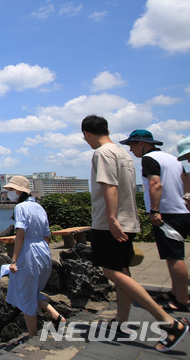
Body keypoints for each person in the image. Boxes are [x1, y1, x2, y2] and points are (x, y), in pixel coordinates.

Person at [81, 115, 187, 352]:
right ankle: (121, 322)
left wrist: (111, 219)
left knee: (111, 271)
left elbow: (110, 186)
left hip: (110, 223)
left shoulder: (103, 153)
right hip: (128, 220)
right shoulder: (123, 154)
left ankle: (168, 323)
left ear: (86, 133)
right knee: (122, 270)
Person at [121, 129, 190, 311]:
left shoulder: (149, 159)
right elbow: (186, 181)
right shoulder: (173, 159)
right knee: (172, 255)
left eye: (132, 145)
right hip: (182, 211)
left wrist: (155, 211)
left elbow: (155, 183)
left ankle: (182, 298)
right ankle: (175, 292)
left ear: (142, 143)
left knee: (175, 256)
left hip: (167, 213)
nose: (131, 150)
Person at [3, 175, 64, 340]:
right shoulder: (39, 207)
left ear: (18, 191)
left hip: (28, 253)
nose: (9, 193)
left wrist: (14, 260)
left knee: (27, 296)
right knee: (34, 290)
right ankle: (56, 316)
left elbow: (20, 235)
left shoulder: (20, 208)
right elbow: (47, 235)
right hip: (43, 251)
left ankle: (32, 337)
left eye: (10, 190)